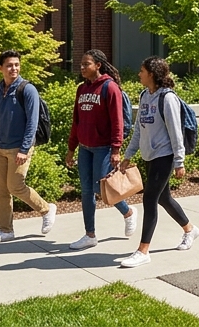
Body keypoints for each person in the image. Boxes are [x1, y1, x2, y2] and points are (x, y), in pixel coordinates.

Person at [117, 57, 199, 268]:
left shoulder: (168, 98)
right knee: (164, 198)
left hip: (165, 155)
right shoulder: (145, 95)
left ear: (151, 74)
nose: (139, 74)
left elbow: (175, 132)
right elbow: (138, 129)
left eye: (142, 70)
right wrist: (128, 155)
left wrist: (179, 161)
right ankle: (190, 229)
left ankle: (143, 250)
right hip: (149, 155)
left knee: (149, 198)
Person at [0, 50, 57, 245]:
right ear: (0, 68)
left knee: (15, 186)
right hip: (0, 148)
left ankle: (46, 209)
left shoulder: (27, 89)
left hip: (19, 148)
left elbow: (32, 122)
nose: (13, 68)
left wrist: (24, 149)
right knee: (1, 190)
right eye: (9, 65)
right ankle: (6, 230)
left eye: (16, 64)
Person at [65, 49, 136, 250]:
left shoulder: (110, 88)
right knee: (86, 191)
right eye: (81, 64)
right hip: (85, 148)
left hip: (103, 148)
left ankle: (128, 212)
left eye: (86, 64)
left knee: (100, 188)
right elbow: (76, 122)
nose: (82, 67)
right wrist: (71, 148)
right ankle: (90, 235)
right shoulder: (81, 89)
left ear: (98, 65)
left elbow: (117, 122)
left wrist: (116, 149)